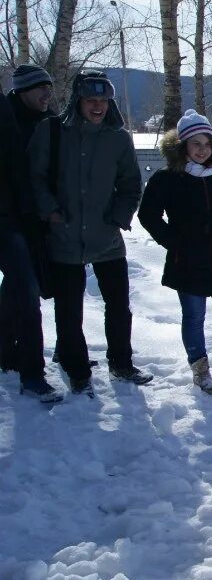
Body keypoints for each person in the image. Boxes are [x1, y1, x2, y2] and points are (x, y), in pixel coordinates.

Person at [28, 69, 149, 396]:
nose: (98, 106)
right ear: (78, 101)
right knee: (69, 309)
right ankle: (77, 369)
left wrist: (119, 217)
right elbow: (35, 177)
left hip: (106, 236)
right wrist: (50, 211)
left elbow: (130, 185)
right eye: (91, 100)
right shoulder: (52, 131)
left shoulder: (119, 138)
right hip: (64, 234)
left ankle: (121, 362)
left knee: (119, 305)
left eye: (103, 100)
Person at [139, 110, 212, 394]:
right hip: (186, 261)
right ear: (183, 146)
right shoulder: (167, 178)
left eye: (207, 143)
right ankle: (200, 371)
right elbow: (148, 215)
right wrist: (173, 240)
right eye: (195, 144)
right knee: (193, 317)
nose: (202, 150)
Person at [0, 88, 61, 402]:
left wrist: (27, 216)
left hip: (7, 218)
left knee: (24, 290)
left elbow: (14, 160)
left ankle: (32, 375)